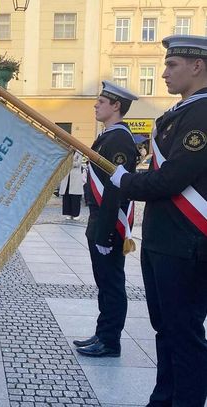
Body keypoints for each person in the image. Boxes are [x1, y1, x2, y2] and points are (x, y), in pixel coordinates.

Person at [110, 35, 207, 406]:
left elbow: (172, 177)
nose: (164, 72)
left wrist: (126, 180)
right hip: (163, 239)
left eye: (172, 65)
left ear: (197, 66)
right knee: (165, 329)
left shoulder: (201, 114)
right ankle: (164, 397)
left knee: (184, 334)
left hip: (187, 242)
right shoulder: (180, 113)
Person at [74, 81, 138, 358]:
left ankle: (110, 341)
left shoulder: (120, 139)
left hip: (108, 224)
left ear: (116, 106)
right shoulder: (108, 136)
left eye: (101, 102)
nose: (95, 105)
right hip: (99, 220)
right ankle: (103, 333)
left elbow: (116, 189)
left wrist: (105, 234)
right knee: (105, 283)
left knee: (112, 284)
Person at [59, 151, 83, 220]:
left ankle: (76, 214)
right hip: (67, 176)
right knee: (67, 195)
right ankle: (68, 213)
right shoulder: (66, 152)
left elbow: (78, 164)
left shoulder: (79, 153)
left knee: (75, 196)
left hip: (75, 177)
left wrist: (69, 163)